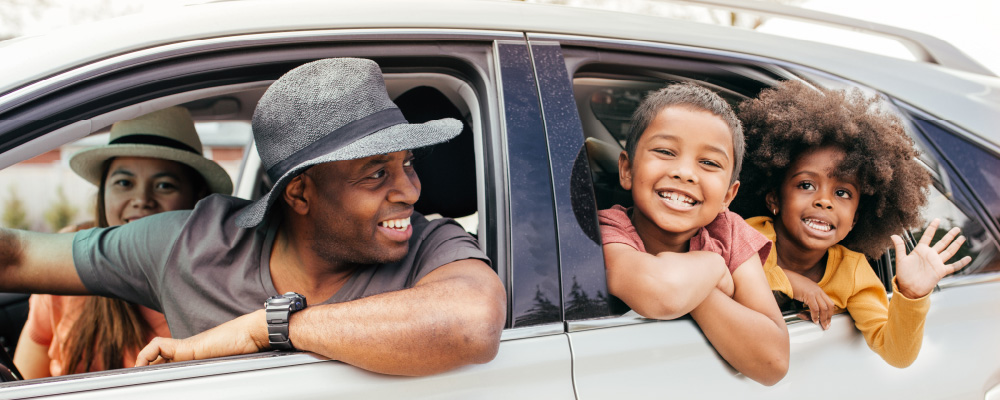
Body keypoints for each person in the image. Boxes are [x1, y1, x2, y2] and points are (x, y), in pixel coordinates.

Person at [0, 58, 506, 376]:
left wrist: (266, 328)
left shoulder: (430, 245)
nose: (411, 191)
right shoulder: (190, 244)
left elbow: (472, 324)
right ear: (301, 193)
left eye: (408, 164)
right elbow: (18, 256)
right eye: (377, 173)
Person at [732, 80, 971, 368]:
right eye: (806, 185)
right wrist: (796, 284)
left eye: (842, 193)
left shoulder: (853, 272)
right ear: (774, 199)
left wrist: (911, 295)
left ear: (855, 219)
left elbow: (896, 353)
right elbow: (725, 270)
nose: (825, 201)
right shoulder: (748, 233)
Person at [13, 106, 233, 379]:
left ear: (197, 199)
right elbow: (23, 384)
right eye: (124, 182)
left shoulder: (220, 283)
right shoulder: (65, 265)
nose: (142, 199)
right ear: (103, 193)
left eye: (164, 185)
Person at [598, 82, 788, 385]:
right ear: (627, 170)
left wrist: (698, 290)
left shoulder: (729, 231)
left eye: (709, 162)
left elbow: (773, 362)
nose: (685, 172)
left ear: (728, 196)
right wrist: (714, 268)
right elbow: (661, 292)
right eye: (664, 151)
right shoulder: (607, 229)